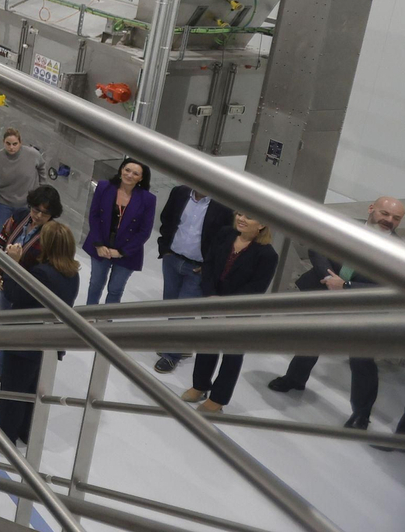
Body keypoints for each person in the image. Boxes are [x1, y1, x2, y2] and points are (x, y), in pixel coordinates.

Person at [265, 196, 405, 430]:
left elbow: (393, 287)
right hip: (326, 292)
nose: (389, 220)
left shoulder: (401, 252)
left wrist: (346, 287)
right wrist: (331, 279)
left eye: (396, 218)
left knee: (362, 360)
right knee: (311, 340)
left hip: (362, 309)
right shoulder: (343, 226)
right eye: (385, 213)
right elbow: (318, 249)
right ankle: (296, 379)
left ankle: (362, 414)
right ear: (371, 209)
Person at [0, 220, 81, 446]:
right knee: (32, 389)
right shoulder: (72, 273)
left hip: (27, 341)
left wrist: (12, 264)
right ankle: (25, 431)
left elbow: (15, 294)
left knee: (13, 389)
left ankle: (3, 437)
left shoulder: (43, 273)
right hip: (49, 342)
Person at [181, 212, 278, 411]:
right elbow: (208, 264)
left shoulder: (267, 254)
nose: (241, 219)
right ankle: (200, 386)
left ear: (262, 225)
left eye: (249, 217)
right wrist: (210, 296)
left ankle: (218, 399)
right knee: (206, 346)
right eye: (240, 213)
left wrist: (224, 305)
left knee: (231, 357)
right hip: (212, 301)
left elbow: (256, 288)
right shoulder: (225, 234)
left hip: (239, 312)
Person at [0, 185, 64, 386]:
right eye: (36, 210)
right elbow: (1, 240)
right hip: (5, 283)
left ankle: (11, 382)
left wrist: (16, 263)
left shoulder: (52, 234)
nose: (38, 216)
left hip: (27, 293)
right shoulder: (21, 215)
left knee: (19, 339)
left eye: (44, 213)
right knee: (3, 330)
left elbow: (46, 270)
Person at [153, 184, 233, 373]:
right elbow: (167, 219)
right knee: (171, 306)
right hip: (172, 259)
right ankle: (180, 345)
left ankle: (172, 355)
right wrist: (164, 250)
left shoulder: (223, 206)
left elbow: (224, 240)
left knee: (183, 312)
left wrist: (209, 266)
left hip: (197, 268)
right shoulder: (179, 192)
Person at [81, 158, 156, 305]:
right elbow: (94, 215)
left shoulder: (148, 199)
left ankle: (106, 322)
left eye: (135, 173)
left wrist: (122, 252)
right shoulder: (104, 187)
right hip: (101, 245)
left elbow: (144, 231)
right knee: (95, 284)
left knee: (115, 289)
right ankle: (88, 316)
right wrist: (98, 244)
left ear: (141, 178)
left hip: (127, 250)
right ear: (121, 170)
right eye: (127, 170)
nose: (129, 175)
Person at [0, 128, 45, 235]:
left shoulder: (33, 155)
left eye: (15, 144)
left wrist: (41, 191)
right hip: (4, 203)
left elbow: (42, 168)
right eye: (8, 144)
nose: (11, 147)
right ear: (3, 142)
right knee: (2, 233)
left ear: (20, 142)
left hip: (27, 204)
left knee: (22, 234)